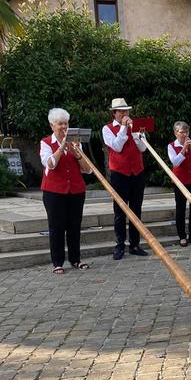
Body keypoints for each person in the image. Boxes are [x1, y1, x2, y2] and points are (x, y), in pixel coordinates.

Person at [39, 108, 91, 274]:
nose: (63, 127)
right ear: (52, 126)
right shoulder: (46, 142)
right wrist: (62, 147)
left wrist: (77, 152)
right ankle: (57, 262)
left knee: (75, 226)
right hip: (54, 191)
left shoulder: (76, 142)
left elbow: (87, 169)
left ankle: (75, 259)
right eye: (60, 124)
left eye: (65, 123)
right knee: (56, 227)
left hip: (75, 190)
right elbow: (50, 164)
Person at [103, 97, 148, 260]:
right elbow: (117, 146)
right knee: (120, 211)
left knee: (136, 209)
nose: (125, 113)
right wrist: (123, 128)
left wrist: (137, 134)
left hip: (137, 172)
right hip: (119, 174)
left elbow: (143, 148)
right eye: (121, 111)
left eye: (126, 111)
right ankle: (119, 246)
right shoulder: (107, 129)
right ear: (114, 113)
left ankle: (135, 245)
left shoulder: (135, 127)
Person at [167, 121, 191, 246]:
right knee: (181, 209)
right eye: (181, 132)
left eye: (186, 132)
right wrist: (184, 149)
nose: (184, 135)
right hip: (180, 181)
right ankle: (182, 236)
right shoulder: (171, 146)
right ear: (175, 133)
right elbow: (175, 162)